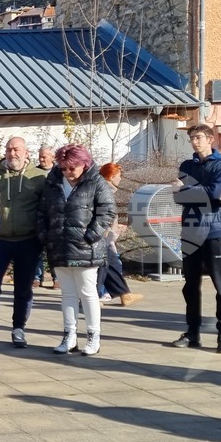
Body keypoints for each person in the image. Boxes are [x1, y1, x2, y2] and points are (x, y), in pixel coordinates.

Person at [38, 144, 115, 357]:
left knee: (88, 293)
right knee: (68, 294)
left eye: (71, 168)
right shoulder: (53, 182)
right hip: (59, 246)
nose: (67, 173)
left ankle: (93, 336)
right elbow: (42, 211)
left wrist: (89, 237)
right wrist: (45, 236)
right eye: (63, 168)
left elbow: (107, 212)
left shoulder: (96, 182)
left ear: (84, 164)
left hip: (85, 248)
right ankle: (69, 335)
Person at [171, 124, 221, 354]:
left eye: (198, 137)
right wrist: (208, 192)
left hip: (215, 232)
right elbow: (178, 197)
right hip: (190, 231)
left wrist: (190, 189)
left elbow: (215, 192)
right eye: (191, 138)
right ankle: (193, 333)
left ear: (210, 139)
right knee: (190, 286)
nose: (194, 142)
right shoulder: (187, 165)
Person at [0, 137, 46, 348]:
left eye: (17, 149)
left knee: (23, 288)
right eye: (9, 149)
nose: (13, 153)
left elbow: (47, 207)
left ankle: (18, 328)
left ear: (26, 152)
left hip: (28, 240)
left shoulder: (39, 177)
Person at [97, 163, 144, 307]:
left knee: (107, 265)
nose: (120, 179)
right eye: (118, 176)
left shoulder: (103, 189)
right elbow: (104, 212)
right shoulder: (104, 191)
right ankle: (119, 294)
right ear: (111, 177)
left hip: (104, 234)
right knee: (109, 264)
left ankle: (121, 294)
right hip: (103, 235)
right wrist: (108, 229)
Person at [35, 145, 58, 289]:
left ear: (53, 157)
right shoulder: (34, 172)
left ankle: (57, 277)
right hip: (38, 214)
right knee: (36, 248)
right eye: (40, 156)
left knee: (54, 249)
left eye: (45, 156)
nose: (42, 159)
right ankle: (37, 277)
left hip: (54, 215)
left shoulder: (59, 172)